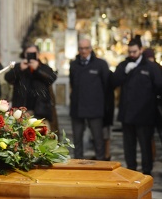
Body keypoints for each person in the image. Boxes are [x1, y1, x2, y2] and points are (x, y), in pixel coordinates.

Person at [112, 37, 162, 175]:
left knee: (145, 146)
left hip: (145, 115)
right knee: (129, 147)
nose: (132, 54)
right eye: (130, 52)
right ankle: (131, 171)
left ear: (141, 50)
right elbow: (113, 82)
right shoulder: (124, 65)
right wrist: (124, 72)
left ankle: (147, 172)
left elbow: (159, 86)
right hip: (127, 114)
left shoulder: (151, 67)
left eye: (134, 51)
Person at [69, 38, 111, 161]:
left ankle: (101, 167)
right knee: (77, 141)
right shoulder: (74, 65)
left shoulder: (100, 64)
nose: (84, 51)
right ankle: (78, 167)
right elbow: (73, 83)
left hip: (95, 108)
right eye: (81, 48)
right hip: (77, 108)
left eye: (86, 48)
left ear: (91, 49)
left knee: (98, 140)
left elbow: (106, 86)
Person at [5, 44, 57, 127]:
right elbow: (7, 77)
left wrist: (37, 69)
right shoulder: (19, 67)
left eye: (34, 53)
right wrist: (19, 69)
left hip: (40, 112)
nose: (31, 55)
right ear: (25, 54)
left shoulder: (43, 67)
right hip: (21, 112)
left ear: (38, 54)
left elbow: (52, 78)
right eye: (29, 53)